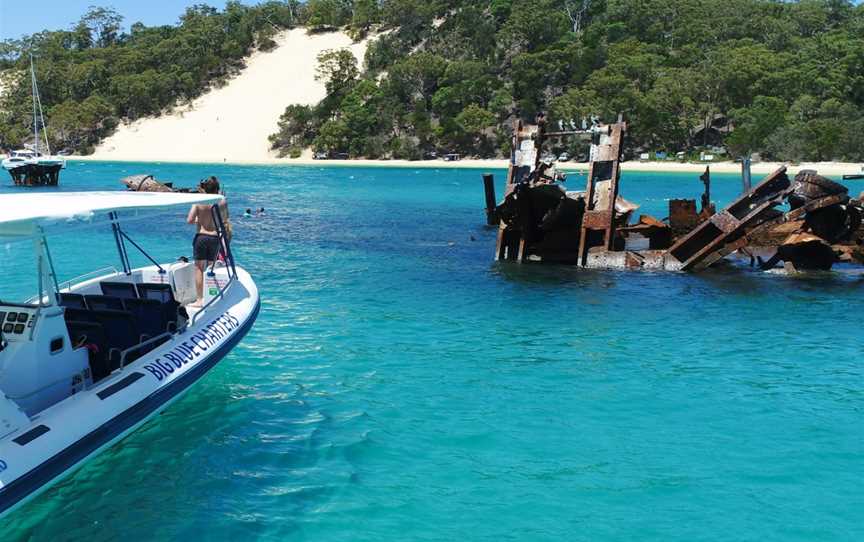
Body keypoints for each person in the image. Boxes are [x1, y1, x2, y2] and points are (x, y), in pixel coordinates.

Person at [186, 176, 230, 307]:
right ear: (217, 189)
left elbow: (189, 220)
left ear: (205, 188)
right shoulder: (222, 201)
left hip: (201, 237)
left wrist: (198, 220)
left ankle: (200, 300)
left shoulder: (198, 202)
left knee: (199, 268)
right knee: (213, 267)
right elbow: (225, 219)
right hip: (215, 237)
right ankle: (213, 297)